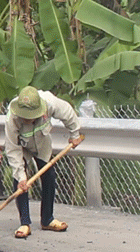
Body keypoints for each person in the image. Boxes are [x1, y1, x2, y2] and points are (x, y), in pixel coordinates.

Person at [5, 86, 82, 239]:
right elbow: (12, 149)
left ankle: (47, 219)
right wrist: (21, 177)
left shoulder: (49, 103)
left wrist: (75, 134)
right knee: (20, 182)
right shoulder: (12, 117)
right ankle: (25, 223)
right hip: (22, 145)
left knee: (49, 176)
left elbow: (67, 112)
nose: (28, 118)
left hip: (42, 141)